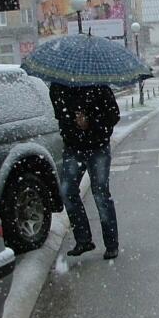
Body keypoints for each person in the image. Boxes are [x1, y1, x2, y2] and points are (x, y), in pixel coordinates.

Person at [49, 82, 120, 259]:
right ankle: (83, 240)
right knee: (67, 192)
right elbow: (59, 115)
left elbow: (113, 115)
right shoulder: (58, 87)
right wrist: (72, 121)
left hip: (98, 147)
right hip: (73, 147)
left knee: (101, 194)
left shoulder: (98, 85)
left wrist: (90, 122)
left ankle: (111, 243)